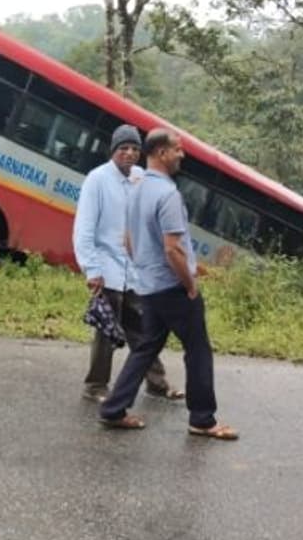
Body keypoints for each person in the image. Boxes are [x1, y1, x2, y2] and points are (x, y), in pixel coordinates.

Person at [98, 128, 238, 441]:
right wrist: (189, 284)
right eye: (178, 149)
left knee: (146, 347)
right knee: (198, 350)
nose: (182, 155)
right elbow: (172, 248)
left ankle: (113, 409)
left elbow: (128, 239)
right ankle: (203, 419)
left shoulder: (136, 189)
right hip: (173, 288)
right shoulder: (168, 195)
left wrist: (143, 270)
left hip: (148, 286)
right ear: (162, 153)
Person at [73, 124, 181, 404]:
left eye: (134, 149)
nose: (130, 154)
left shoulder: (140, 178)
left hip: (133, 271)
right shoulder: (97, 180)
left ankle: (157, 384)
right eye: (124, 148)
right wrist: (91, 269)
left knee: (145, 330)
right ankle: (95, 386)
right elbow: (83, 228)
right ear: (113, 151)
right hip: (106, 267)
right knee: (106, 331)